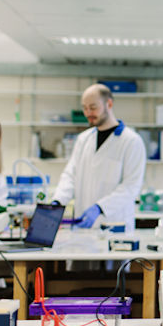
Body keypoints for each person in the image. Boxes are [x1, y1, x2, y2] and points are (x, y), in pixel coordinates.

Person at [51, 83, 146, 231]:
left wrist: (99, 208)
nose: (88, 112)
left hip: (114, 226)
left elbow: (131, 187)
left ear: (109, 104)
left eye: (93, 107)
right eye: (84, 107)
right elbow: (70, 176)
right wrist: (57, 201)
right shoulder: (83, 139)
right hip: (82, 226)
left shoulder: (131, 141)